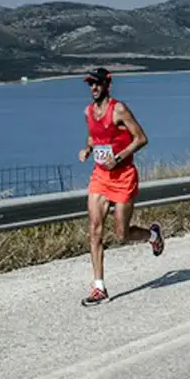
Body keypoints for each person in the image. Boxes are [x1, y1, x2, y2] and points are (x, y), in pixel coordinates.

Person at [78, 66, 164, 305]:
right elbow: (93, 137)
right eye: (90, 84)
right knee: (95, 231)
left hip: (123, 175)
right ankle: (99, 288)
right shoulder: (88, 112)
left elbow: (141, 138)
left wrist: (118, 157)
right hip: (100, 177)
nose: (93, 88)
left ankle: (152, 235)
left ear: (107, 84)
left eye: (97, 83)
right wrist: (88, 149)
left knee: (121, 234)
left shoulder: (119, 110)